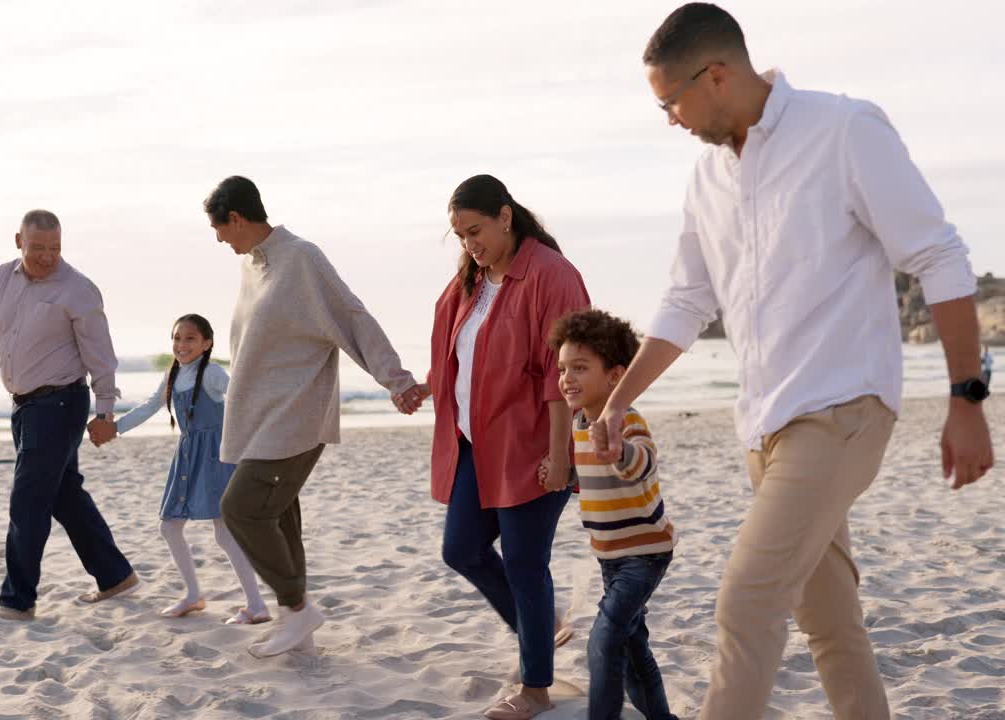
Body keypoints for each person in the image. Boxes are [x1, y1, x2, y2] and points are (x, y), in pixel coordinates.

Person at [589, 4, 995, 717]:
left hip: (842, 412)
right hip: (765, 430)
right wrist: (619, 400)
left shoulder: (843, 130)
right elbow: (686, 302)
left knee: (745, 604)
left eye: (670, 102)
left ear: (714, 76)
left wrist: (967, 397)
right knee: (832, 626)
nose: (670, 120)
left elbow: (937, 254)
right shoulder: (707, 180)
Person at [205, 176, 424, 657]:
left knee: (240, 508)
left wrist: (397, 381)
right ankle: (296, 622)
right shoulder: (251, 266)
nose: (220, 239)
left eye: (220, 229)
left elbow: (352, 318)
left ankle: (297, 607)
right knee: (279, 516)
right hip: (257, 417)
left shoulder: (301, 258)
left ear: (236, 218)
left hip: (295, 416)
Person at [0, 209, 139, 624]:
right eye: (38, 248)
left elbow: (100, 356)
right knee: (64, 495)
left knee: (28, 502)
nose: (47, 257)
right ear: (19, 241)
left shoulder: (78, 289)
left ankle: (18, 601)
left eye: (55, 248)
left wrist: (105, 410)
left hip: (60, 405)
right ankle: (115, 576)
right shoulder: (1, 280)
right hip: (24, 407)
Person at [422, 174, 590, 720]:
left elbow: (562, 372)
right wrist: (424, 385)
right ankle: (539, 629)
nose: (470, 243)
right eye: (460, 235)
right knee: (461, 549)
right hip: (475, 441)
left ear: (506, 217)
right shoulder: (470, 281)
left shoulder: (551, 275)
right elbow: (457, 353)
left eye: (476, 230)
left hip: (536, 443)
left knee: (523, 561)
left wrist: (560, 455)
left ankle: (537, 687)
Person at [538, 310, 679, 720]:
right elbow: (593, 478)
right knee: (634, 649)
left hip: (644, 552)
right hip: (610, 556)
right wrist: (564, 476)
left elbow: (642, 465)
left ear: (616, 375)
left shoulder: (627, 420)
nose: (567, 378)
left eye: (580, 368)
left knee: (605, 637)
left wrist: (620, 452)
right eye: (563, 368)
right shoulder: (582, 422)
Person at [89, 314, 270, 625]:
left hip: (216, 457)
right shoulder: (173, 373)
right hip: (188, 455)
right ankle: (193, 595)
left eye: (190, 339)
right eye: (177, 338)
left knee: (224, 534)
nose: (181, 345)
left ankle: (256, 605)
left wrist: (250, 440)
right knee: (170, 526)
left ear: (206, 343)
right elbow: (149, 406)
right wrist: (115, 428)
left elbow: (243, 398)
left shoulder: (212, 372)